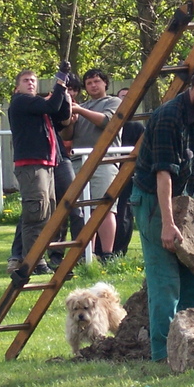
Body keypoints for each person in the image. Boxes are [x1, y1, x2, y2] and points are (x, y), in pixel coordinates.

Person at [130, 63, 194, 362]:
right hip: (153, 202)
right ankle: (164, 353)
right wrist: (167, 224)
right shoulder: (166, 118)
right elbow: (163, 174)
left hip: (185, 201)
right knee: (165, 282)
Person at [7, 73, 84, 271]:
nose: (31, 83)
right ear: (17, 88)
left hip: (47, 164)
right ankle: (33, 261)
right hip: (32, 165)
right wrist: (60, 81)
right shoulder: (21, 102)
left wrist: (64, 93)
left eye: (33, 80)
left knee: (47, 213)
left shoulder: (37, 107)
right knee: (36, 213)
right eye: (26, 80)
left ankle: (37, 258)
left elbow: (61, 117)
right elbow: (51, 107)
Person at [62, 68, 121, 262]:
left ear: (105, 83)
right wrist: (70, 121)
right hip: (79, 161)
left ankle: (108, 254)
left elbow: (107, 122)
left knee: (104, 208)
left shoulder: (113, 102)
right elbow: (67, 136)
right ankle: (87, 255)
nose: (93, 85)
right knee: (82, 210)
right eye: (89, 83)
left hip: (104, 161)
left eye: (97, 81)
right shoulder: (82, 106)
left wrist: (78, 110)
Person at [113, 84, 145, 256]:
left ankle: (119, 252)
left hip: (129, 176)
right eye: (121, 97)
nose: (124, 100)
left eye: (128, 97)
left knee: (124, 214)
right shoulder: (109, 125)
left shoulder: (137, 128)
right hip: (109, 172)